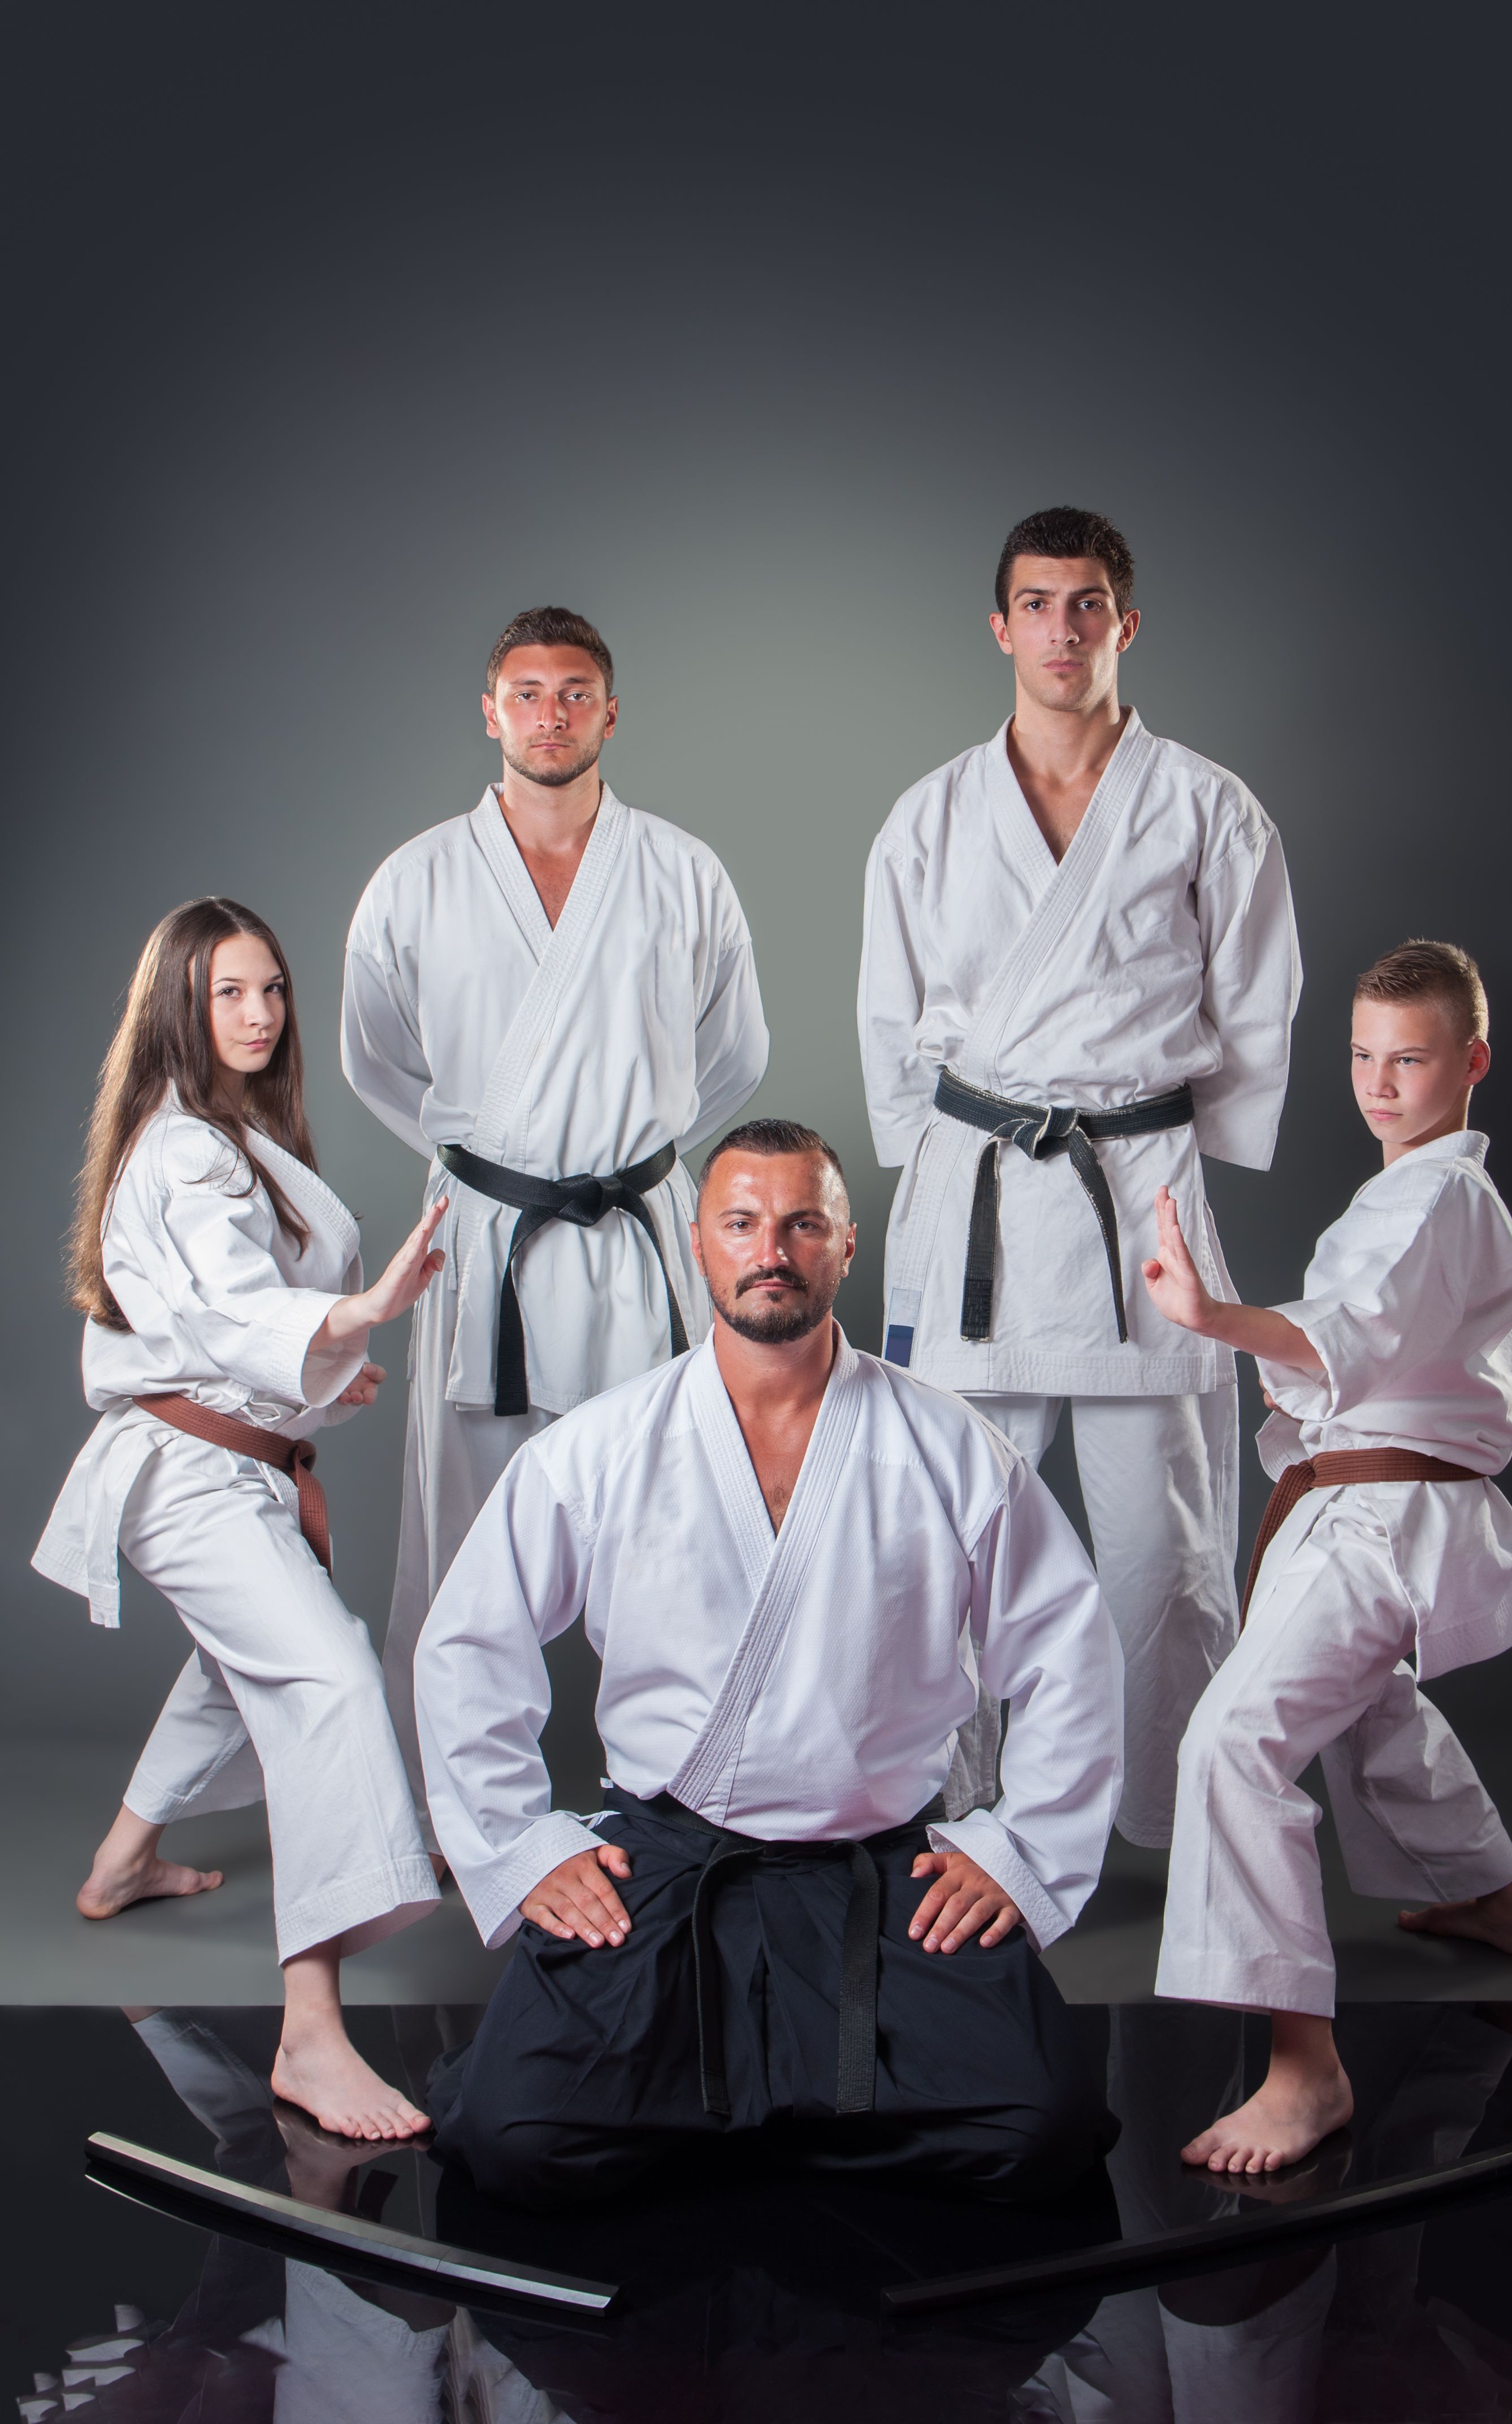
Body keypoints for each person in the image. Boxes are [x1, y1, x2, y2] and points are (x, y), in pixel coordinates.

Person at [415, 1120, 1126, 2207]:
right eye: (742, 1223)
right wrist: (518, 1848)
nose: (772, 1250)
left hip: (887, 1873)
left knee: (1041, 2131)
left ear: (847, 1246)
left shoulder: (946, 1444)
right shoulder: (602, 1447)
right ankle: (793, 2123)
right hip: (660, 1866)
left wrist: (1019, 1850)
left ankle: (745, 2122)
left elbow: (1071, 1647)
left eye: (803, 1224)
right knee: (517, 2141)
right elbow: (468, 1644)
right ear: (698, 1244)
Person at [858, 505, 1300, 1838]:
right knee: (946, 1536)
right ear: (1001, 627)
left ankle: (1175, 1824)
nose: (1062, 627)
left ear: (1125, 622)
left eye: (1087, 602)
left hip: (1133, 1199)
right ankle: (946, 1818)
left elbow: (1256, 1001)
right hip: (979, 1201)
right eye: (1038, 603)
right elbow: (892, 1024)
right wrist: (929, 1164)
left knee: (1162, 1549)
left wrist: (1168, 1137)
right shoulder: (930, 813)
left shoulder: (1203, 805)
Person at [341, 604, 769, 1831]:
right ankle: (456, 1812)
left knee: (674, 1521)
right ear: (489, 712)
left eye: (573, 691)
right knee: (470, 1541)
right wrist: (497, 1158)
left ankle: (688, 1791)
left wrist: (623, 1154)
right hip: (492, 1245)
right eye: (525, 693)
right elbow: (381, 1060)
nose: (549, 714)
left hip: (637, 1236)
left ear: (610, 711)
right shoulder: (416, 879)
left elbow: (730, 1057)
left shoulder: (682, 870)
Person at [33, 898, 448, 2138]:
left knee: (243, 1658)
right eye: (230, 994)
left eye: (272, 989)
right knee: (323, 1673)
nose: (261, 1014)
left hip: (224, 1460)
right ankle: (310, 2032)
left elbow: (234, 1326)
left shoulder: (229, 1134)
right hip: (188, 1477)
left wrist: (328, 1367)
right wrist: (363, 1309)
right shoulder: (187, 1151)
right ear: (181, 1007)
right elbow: (231, 1311)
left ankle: (121, 1859)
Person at [1145, 939, 1512, 2173]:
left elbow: (1352, 1331)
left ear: (1470, 1061)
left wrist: (1212, 1317)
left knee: (1231, 1742)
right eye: (1360, 1057)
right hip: (1361, 1499)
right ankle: (1497, 1897)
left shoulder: (1436, 1196)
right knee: (1367, 1707)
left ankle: (1300, 2065)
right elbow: (1360, 1336)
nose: (1378, 1084)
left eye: (1410, 1059)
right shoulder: (1414, 1193)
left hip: (1373, 1515)